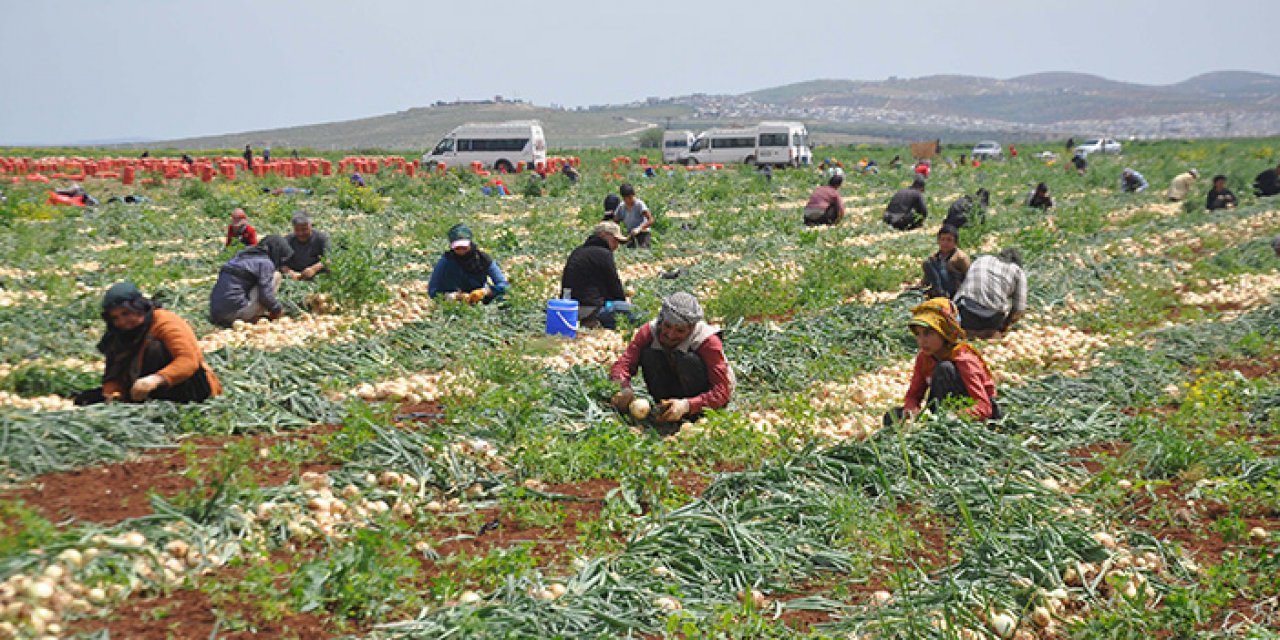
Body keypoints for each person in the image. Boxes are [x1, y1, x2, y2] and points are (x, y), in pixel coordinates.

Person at [75, 283, 222, 406]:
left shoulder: (165, 322)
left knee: (154, 347)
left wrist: (156, 379)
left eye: (126, 313)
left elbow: (188, 361)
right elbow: (114, 370)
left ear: (138, 307)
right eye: (115, 317)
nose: (122, 321)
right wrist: (112, 393)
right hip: (141, 388)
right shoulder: (118, 333)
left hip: (189, 386)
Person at [609, 292, 734, 427]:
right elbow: (625, 362)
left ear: (691, 328)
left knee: (688, 361)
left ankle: (693, 414)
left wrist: (688, 405)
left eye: (680, 331)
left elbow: (722, 390)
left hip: (703, 393)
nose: (670, 335)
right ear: (661, 320)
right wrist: (623, 387)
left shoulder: (707, 341)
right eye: (667, 326)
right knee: (650, 355)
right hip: (671, 385)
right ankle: (665, 406)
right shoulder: (649, 331)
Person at [883, 297, 1000, 426]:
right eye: (918, 334)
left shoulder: (964, 359)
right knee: (892, 416)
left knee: (944, 369)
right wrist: (910, 411)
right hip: (942, 413)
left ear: (945, 332)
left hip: (971, 416)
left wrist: (954, 417)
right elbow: (913, 395)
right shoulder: (924, 358)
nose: (922, 341)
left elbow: (984, 407)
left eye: (928, 334)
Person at [560, 222, 642, 329]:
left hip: (568, 308)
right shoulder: (603, 254)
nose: (617, 246)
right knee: (638, 313)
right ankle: (592, 320)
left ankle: (591, 321)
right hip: (589, 307)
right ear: (604, 235)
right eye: (615, 240)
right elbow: (614, 285)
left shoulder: (578, 251)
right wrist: (623, 304)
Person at [209, 235, 292, 328]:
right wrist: (277, 309)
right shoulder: (265, 263)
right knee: (276, 276)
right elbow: (265, 295)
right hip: (234, 313)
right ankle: (250, 316)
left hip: (215, 313)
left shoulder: (240, 256)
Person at [427, 223, 510, 304]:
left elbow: (504, 285)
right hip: (455, 303)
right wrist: (456, 296)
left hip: (480, 300)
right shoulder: (446, 261)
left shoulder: (483, 259)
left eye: (464, 247)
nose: (461, 251)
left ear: (470, 244)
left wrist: (485, 291)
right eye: (457, 248)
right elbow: (433, 291)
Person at [954, 249, 1027, 339]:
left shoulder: (981, 259)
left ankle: (969, 332)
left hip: (966, 311)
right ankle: (988, 333)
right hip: (992, 318)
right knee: (995, 331)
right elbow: (1019, 309)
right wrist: (1005, 325)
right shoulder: (1018, 271)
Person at [921, 225, 971, 299]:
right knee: (928, 263)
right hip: (940, 287)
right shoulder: (935, 256)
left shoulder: (961, 257)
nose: (945, 243)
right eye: (942, 239)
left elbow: (969, 278)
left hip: (954, 290)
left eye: (949, 240)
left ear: (955, 242)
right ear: (938, 241)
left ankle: (941, 293)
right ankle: (937, 292)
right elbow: (928, 277)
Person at [281, 211, 329, 281]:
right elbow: (279, 261)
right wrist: (289, 272)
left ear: (311, 226)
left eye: (304, 229)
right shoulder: (287, 240)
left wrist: (313, 269)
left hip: (318, 276)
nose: (301, 233)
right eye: (297, 230)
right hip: (294, 276)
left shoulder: (321, 238)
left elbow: (329, 258)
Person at [612, 184, 654, 248]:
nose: (631, 199)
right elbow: (615, 221)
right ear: (624, 198)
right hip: (631, 234)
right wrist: (618, 233)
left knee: (643, 248)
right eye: (628, 198)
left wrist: (639, 228)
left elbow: (651, 220)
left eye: (632, 197)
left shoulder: (639, 204)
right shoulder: (621, 206)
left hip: (643, 233)